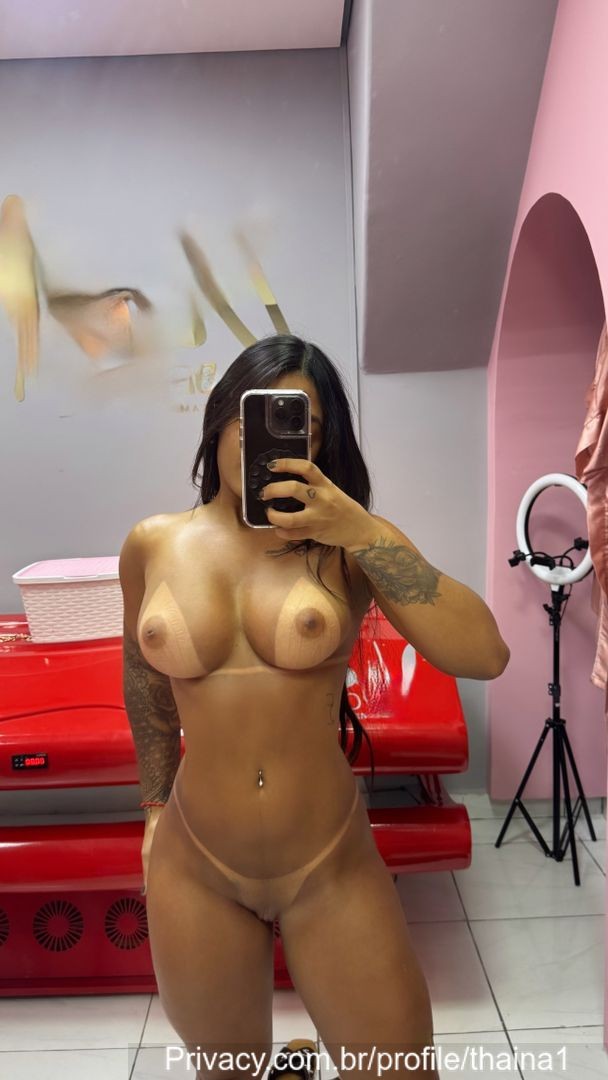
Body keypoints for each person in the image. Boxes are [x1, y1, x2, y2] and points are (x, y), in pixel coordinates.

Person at [119, 334, 510, 1080]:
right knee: (227, 1072)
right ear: (221, 418)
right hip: (195, 863)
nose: (265, 440)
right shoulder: (153, 544)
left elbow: (484, 654)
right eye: (254, 415)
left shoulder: (347, 545)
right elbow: (143, 682)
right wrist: (154, 808)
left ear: (320, 444)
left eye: (303, 424)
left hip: (328, 862)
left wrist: (360, 530)